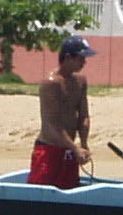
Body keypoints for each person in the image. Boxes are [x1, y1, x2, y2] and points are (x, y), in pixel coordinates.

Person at [30, 34, 94, 189]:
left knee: (70, 188)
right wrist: (75, 147)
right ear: (68, 58)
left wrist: (83, 145)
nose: (84, 62)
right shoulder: (51, 83)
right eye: (80, 58)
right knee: (42, 192)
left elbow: (84, 116)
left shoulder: (80, 81)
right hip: (49, 149)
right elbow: (53, 124)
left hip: (70, 150)